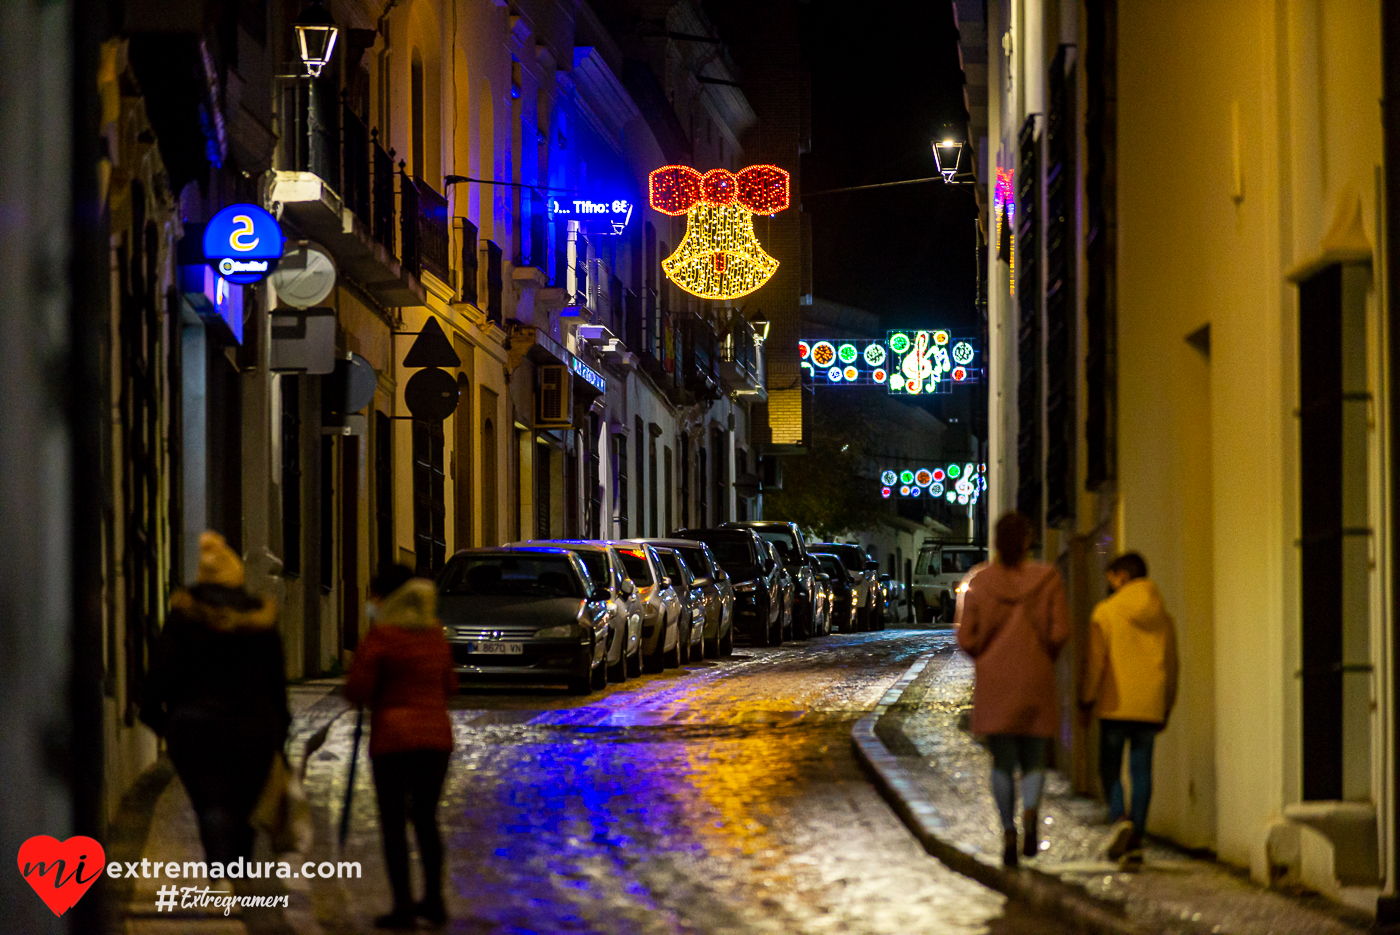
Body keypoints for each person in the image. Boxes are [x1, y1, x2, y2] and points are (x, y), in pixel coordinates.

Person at [141, 531, 290, 866]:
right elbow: (276, 683)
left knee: (210, 802)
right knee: (245, 804)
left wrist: (162, 721)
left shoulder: (183, 618)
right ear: (238, 579)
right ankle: (238, 867)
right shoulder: (261, 622)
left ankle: (220, 871)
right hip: (254, 728)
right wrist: (280, 733)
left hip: (195, 726)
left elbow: (160, 673)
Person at [345, 565, 458, 929]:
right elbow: (451, 685)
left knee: (393, 822)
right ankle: (434, 901)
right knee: (426, 819)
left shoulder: (382, 635)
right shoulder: (435, 634)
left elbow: (358, 688)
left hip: (393, 741)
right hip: (436, 740)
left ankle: (403, 907)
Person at [956, 512, 1069, 866]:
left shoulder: (980, 581)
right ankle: (1031, 811)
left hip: (995, 684)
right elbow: (1059, 632)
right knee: (1034, 759)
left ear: (996, 541)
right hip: (1036, 678)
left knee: (1002, 762)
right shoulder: (1048, 578)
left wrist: (986, 655)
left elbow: (966, 637)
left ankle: (1008, 830)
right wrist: (1044, 655)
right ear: (1026, 541)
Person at [1081, 551, 1179, 866]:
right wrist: (1166, 705)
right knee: (1142, 772)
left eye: (1111, 578)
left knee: (1109, 769)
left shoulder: (1106, 611)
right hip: (1149, 706)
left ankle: (1120, 819)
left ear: (1122, 576)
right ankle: (1136, 838)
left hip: (1115, 705)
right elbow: (1172, 664)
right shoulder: (1162, 616)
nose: (1110, 585)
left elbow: (1095, 661)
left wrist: (1086, 699)